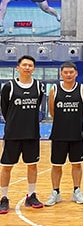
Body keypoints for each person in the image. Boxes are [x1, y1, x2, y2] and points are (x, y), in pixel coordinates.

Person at [0, 55, 45, 214]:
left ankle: (31, 195)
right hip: (12, 134)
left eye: (30, 65)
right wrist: (14, 123)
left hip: (32, 133)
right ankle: (4, 198)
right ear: (18, 67)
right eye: (24, 65)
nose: (27, 67)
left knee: (32, 166)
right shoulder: (9, 87)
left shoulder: (39, 86)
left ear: (33, 69)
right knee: (6, 167)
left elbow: (37, 106)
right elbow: (5, 109)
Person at [45, 61, 83, 207]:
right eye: (66, 72)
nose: (69, 75)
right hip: (59, 134)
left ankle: (76, 191)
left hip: (76, 134)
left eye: (71, 72)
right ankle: (55, 192)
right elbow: (52, 112)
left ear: (76, 73)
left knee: (76, 164)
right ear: (61, 74)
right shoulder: (54, 89)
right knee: (56, 165)